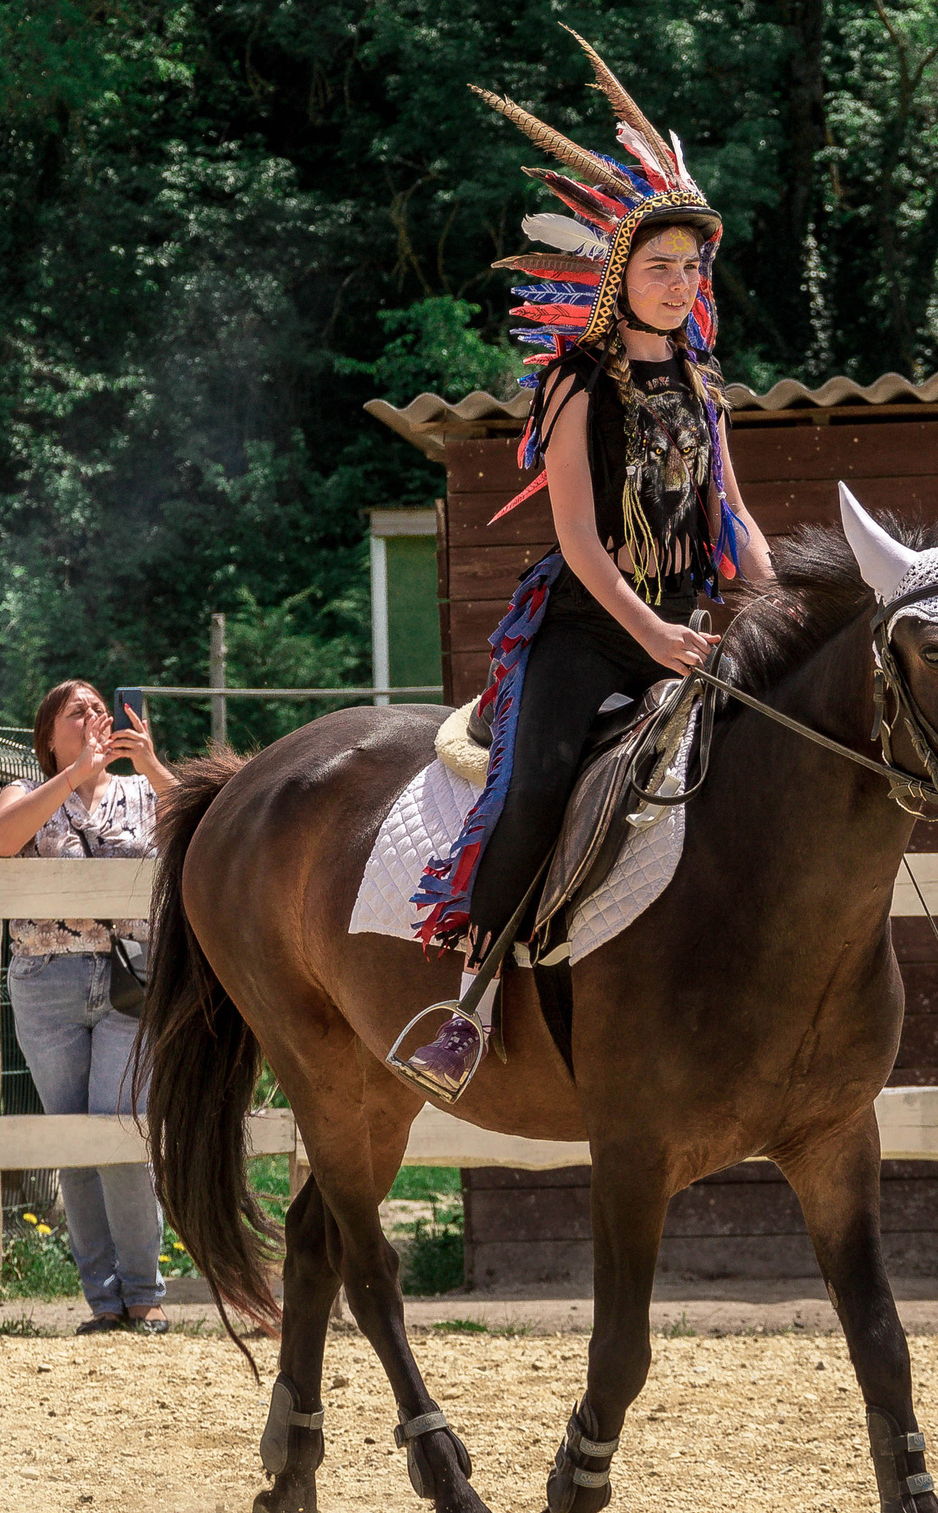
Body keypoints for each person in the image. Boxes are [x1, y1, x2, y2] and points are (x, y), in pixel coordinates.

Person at [396, 40, 774, 1091]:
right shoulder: (573, 382)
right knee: (535, 787)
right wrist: (650, 633)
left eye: (691, 269)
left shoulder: (703, 381)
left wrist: (777, 601)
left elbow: (733, 512)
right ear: (619, 275)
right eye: (660, 267)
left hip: (692, 619)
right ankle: (467, 1005)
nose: (680, 284)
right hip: (588, 628)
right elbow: (576, 536)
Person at [0, 679, 179, 1333]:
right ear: (49, 736)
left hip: (132, 977)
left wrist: (150, 761)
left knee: (120, 1129)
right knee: (74, 1140)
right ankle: (104, 1300)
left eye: (101, 706)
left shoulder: (143, 791)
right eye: (78, 711)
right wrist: (72, 776)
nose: (95, 715)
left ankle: (143, 1292)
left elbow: (204, 825)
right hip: (47, 982)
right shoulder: (27, 790)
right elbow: (2, 838)